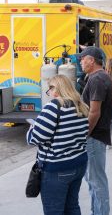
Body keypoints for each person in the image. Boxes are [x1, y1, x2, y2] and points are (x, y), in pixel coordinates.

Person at [27, 75, 89, 215]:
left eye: (50, 88)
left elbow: (36, 138)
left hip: (57, 168)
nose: (49, 93)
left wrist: (31, 129)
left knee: (53, 210)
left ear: (57, 88)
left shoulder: (54, 107)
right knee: (72, 206)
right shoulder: (81, 106)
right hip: (78, 163)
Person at [79, 46, 112, 215]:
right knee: (94, 180)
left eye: (82, 59)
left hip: (94, 137)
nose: (80, 62)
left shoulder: (97, 79)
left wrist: (85, 133)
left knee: (96, 180)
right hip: (97, 136)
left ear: (91, 60)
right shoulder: (99, 77)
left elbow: (94, 111)